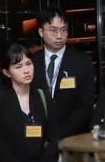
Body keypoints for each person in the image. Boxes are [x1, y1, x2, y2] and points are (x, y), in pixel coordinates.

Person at [31, 7, 96, 140]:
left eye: (64, 30)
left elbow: (86, 105)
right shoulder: (32, 62)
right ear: (41, 32)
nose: (59, 36)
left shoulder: (82, 61)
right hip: (39, 138)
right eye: (53, 30)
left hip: (73, 137)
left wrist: (60, 134)